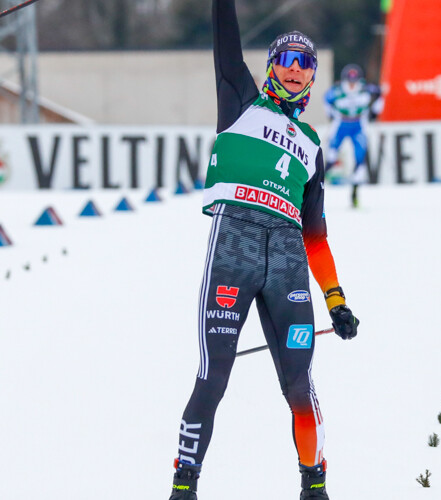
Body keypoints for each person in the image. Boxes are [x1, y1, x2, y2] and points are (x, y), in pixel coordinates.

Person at [168, 1, 359, 499]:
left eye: (306, 63)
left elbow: (316, 234)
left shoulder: (314, 146)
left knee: (300, 387)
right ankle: (184, 484)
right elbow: (225, 36)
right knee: (213, 378)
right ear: (271, 66)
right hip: (234, 250)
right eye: (286, 59)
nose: (295, 69)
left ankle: (313, 485)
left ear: (313, 78)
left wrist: (336, 300)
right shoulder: (239, 100)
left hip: (289, 265)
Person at [324, 64, 383, 207]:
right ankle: (315, 187)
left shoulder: (365, 88)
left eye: (354, 81)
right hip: (341, 125)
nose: (352, 85)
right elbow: (326, 99)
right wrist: (330, 114)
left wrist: (375, 112)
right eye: (349, 81)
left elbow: (380, 93)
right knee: (331, 157)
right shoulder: (337, 90)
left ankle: (355, 195)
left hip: (358, 126)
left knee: (359, 160)